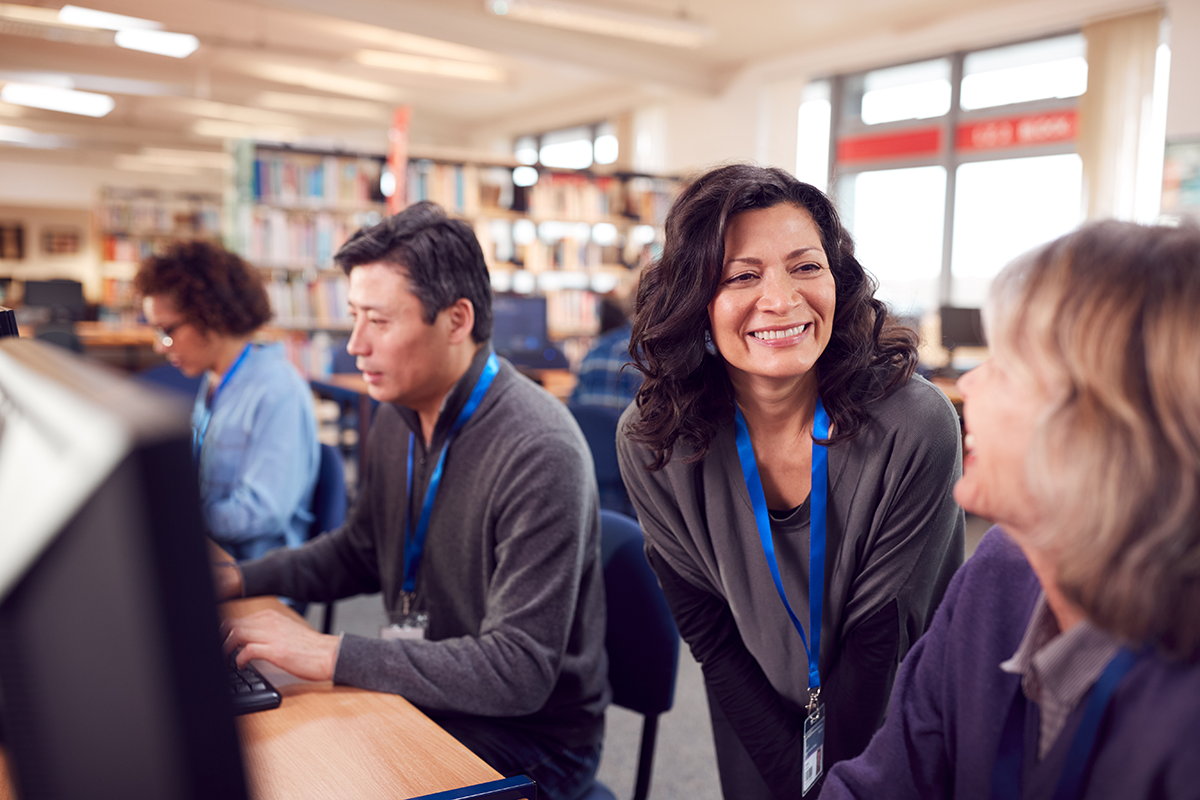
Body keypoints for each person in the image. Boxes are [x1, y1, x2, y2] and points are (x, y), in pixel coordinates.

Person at [215, 201, 609, 800]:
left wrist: (329, 651)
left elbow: (517, 672)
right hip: (426, 691)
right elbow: (361, 550)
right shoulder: (399, 417)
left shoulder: (539, 449)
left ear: (456, 320)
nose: (354, 344)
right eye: (353, 317)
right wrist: (239, 579)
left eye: (378, 321)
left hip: (534, 738)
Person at [616, 164, 965, 799]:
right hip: (753, 702)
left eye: (806, 267)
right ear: (696, 301)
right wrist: (789, 774)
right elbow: (710, 632)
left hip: (899, 714)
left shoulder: (913, 425)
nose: (781, 299)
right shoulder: (655, 439)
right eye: (741, 276)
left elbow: (878, 644)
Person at [821, 220, 1200, 799]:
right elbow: (885, 783)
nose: (972, 385)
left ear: (1106, 429)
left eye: (1007, 366)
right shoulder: (998, 572)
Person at [135, 240, 319, 562]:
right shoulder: (215, 378)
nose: (160, 347)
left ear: (209, 316)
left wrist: (176, 520)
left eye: (167, 330)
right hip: (210, 554)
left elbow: (264, 512)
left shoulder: (278, 390)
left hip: (252, 573)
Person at [570, 296, 643, 409]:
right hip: (627, 425)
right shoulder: (642, 356)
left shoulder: (592, 353)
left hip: (589, 426)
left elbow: (573, 405)